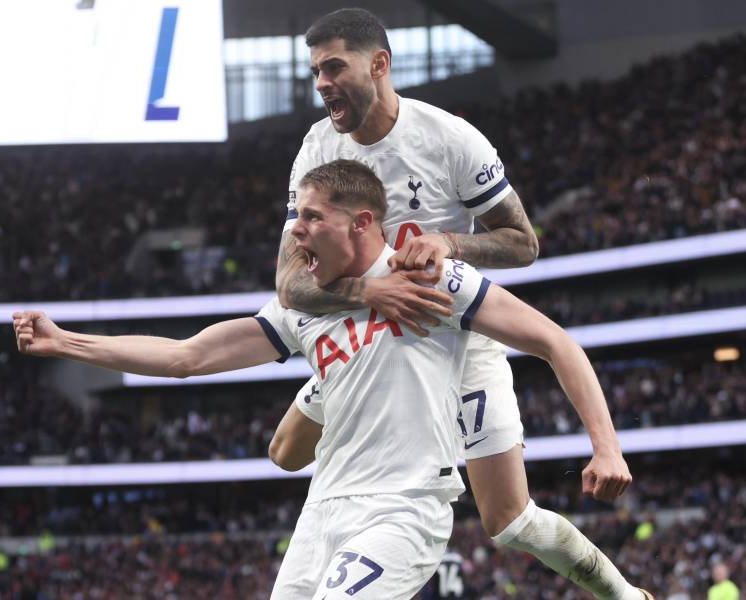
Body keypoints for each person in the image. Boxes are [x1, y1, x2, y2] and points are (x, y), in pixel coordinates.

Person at [15, 159, 639, 599]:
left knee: (512, 520)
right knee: (283, 452)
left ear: (362, 222)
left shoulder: (430, 279)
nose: (297, 230)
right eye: (296, 217)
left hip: (405, 508)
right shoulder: (305, 309)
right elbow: (187, 356)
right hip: (322, 512)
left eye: (312, 217)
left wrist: (605, 446)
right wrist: (66, 341)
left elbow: (554, 341)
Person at [271, 8, 651, 600]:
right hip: (362, 346)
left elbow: (523, 242)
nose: (321, 82)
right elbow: (289, 284)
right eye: (315, 70)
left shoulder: (448, 139)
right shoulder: (316, 148)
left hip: (455, 339)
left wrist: (448, 241)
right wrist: (373, 291)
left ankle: (623, 594)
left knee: (510, 521)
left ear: (380, 64)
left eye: (333, 66)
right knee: (283, 452)